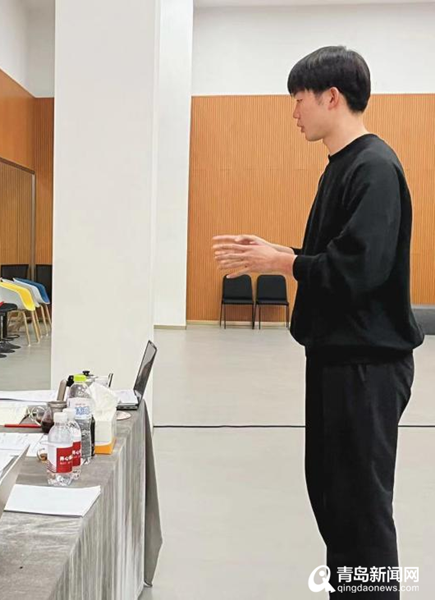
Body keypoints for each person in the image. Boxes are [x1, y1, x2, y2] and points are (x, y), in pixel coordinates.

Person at [213, 46, 423, 599]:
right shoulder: (344, 167)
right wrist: (280, 253)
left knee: (361, 513)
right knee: (336, 502)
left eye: (298, 99)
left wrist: (282, 262)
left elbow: (359, 269)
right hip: (338, 361)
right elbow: (334, 255)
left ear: (332, 98)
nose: (293, 112)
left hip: (366, 367)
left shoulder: (374, 168)